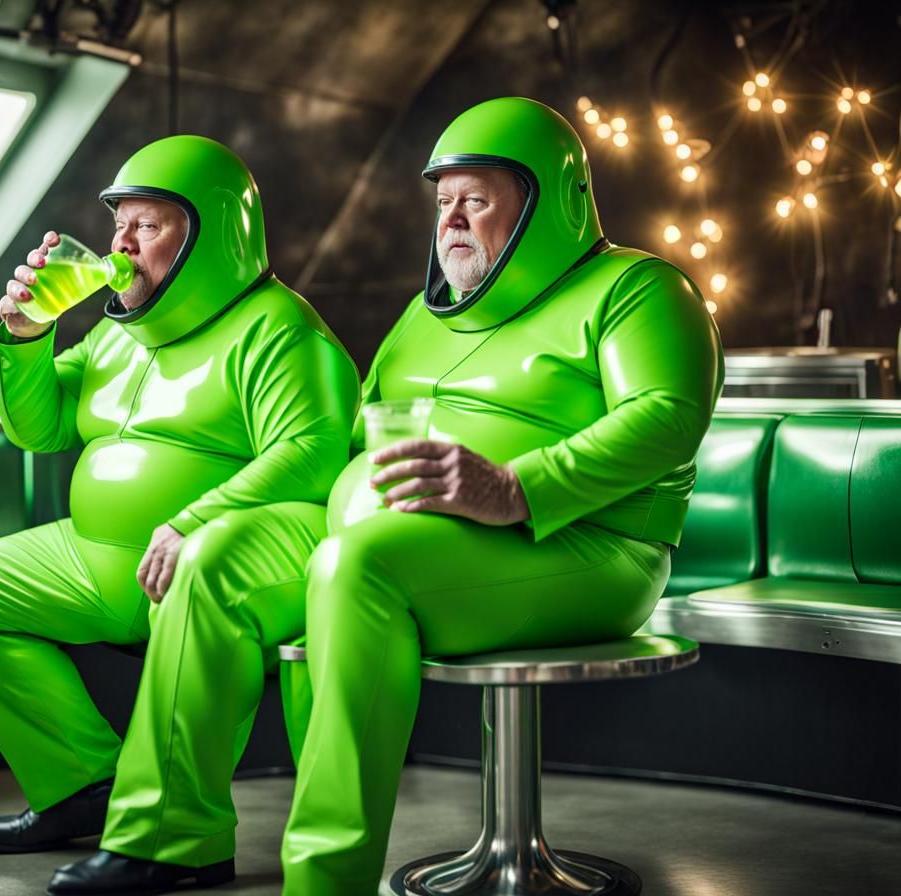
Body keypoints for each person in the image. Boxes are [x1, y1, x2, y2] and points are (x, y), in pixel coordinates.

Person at [277, 96, 725, 894]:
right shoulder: (424, 314)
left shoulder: (639, 289)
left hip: (593, 548)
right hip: (421, 542)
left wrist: (517, 488)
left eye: (476, 201)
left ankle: (324, 882)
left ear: (548, 206)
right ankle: (172, 837)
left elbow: (667, 418)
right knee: (246, 565)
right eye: (443, 202)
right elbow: (356, 433)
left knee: (353, 569)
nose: (451, 220)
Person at [0, 135, 359, 890]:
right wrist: (26, 337)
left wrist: (196, 520)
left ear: (214, 236)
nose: (121, 245)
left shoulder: (281, 330)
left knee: (201, 594)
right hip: (96, 553)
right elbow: (39, 428)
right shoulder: (116, 334)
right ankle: (82, 784)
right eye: (119, 224)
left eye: (148, 226)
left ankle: (174, 835)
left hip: (209, 559)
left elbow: (313, 454)